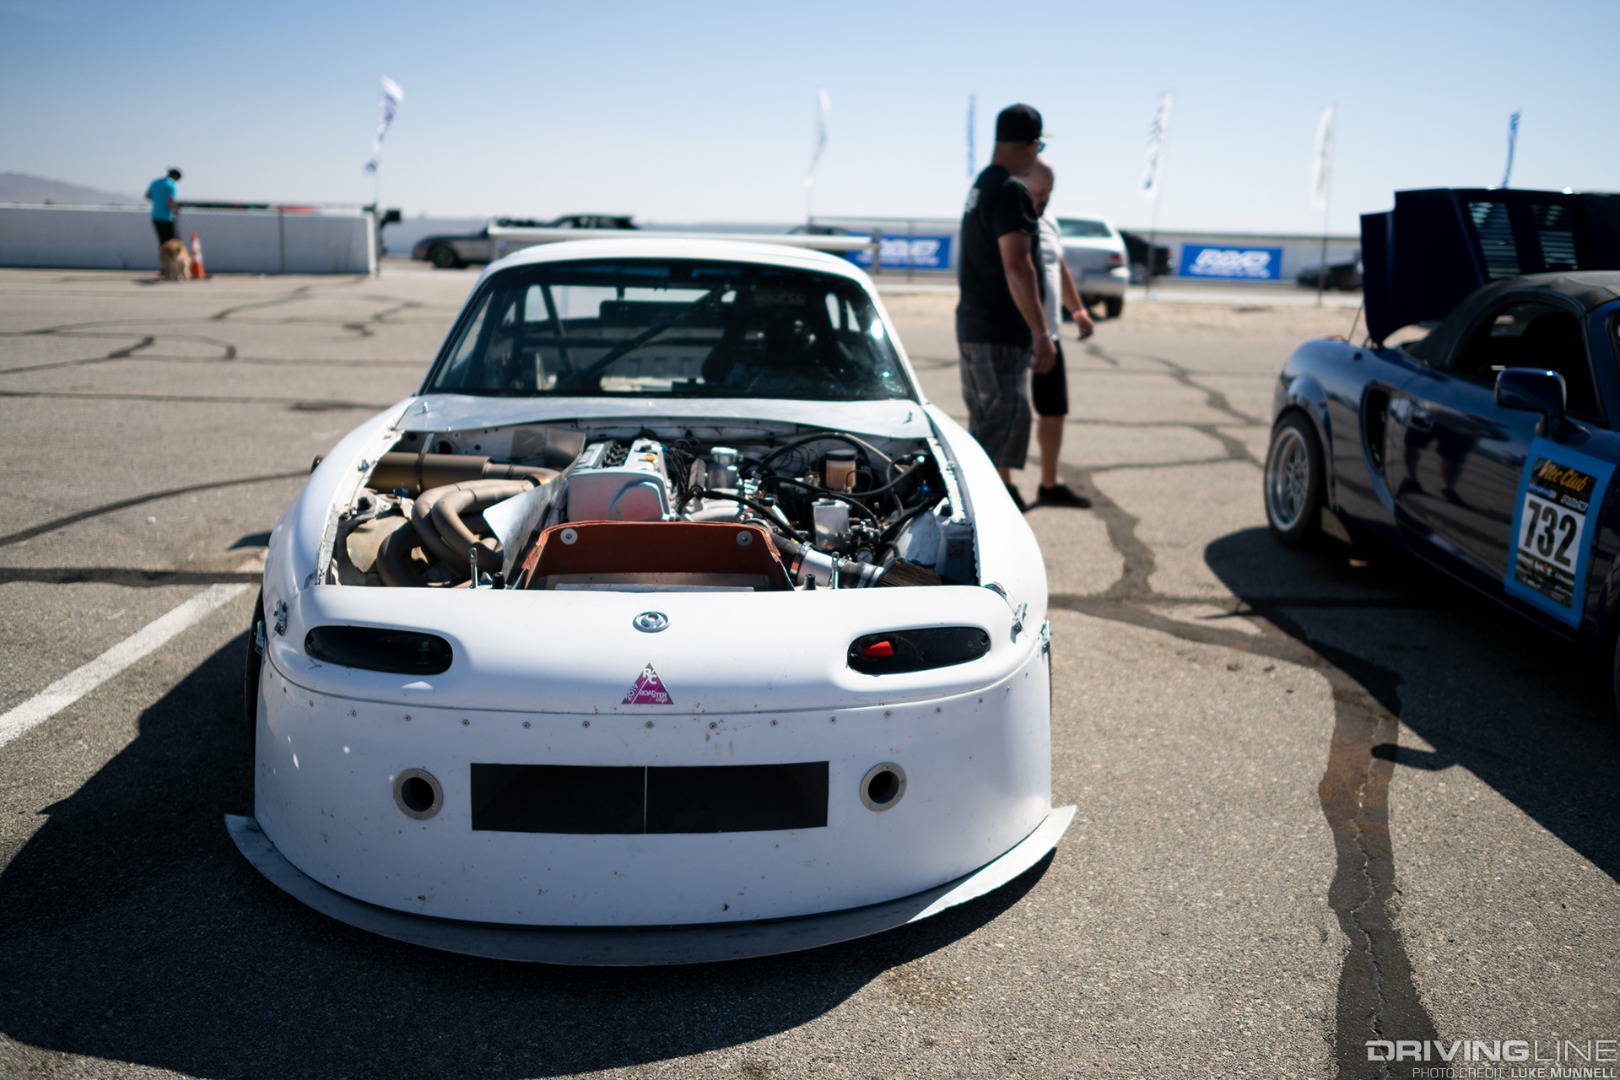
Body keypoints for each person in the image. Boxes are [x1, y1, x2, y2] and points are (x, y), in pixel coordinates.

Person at [956, 104, 1052, 512]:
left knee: (987, 425)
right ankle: (982, 516)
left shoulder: (981, 185)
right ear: (1030, 145)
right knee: (1001, 425)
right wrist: (1041, 331)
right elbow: (1017, 264)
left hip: (976, 327)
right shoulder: (1011, 190)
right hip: (998, 332)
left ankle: (979, 510)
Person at [1022, 157, 1095, 508]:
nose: (1043, 200)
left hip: (1049, 334)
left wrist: (1077, 308)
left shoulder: (1048, 220)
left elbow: (1058, 265)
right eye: (1038, 192)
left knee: (1054, 410)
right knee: (1012, 413)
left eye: (1048, 193)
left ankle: (1049, 484)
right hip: (1017, 336)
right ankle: (1003, 486)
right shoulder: (1010, 217)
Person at [144, 168, 181, 245]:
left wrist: (158, 200)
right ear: (175, 176)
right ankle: (170, 257)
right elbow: (170, 203)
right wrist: (176, 208)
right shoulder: (170, 185)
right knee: (171, 242)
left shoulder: (155, 182)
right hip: (166, 218)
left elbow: (147, 196)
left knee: (162, 242)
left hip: (155, 216)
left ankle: (163, 257)